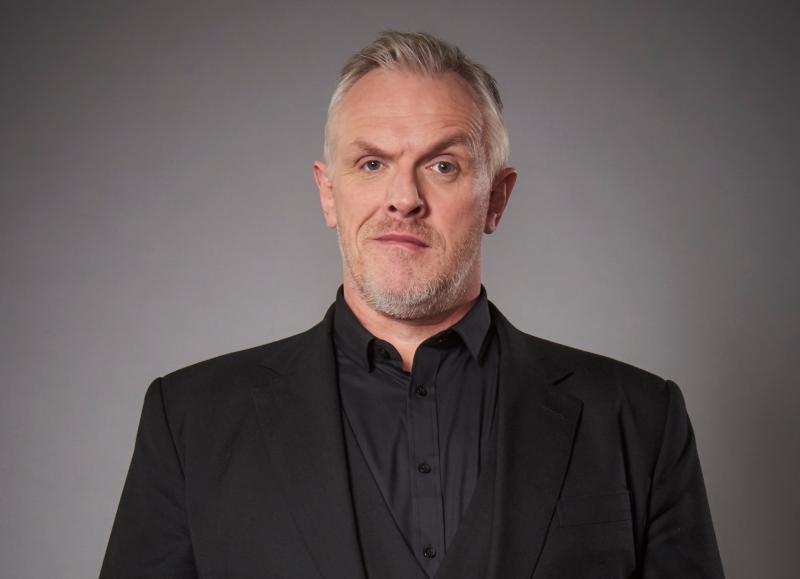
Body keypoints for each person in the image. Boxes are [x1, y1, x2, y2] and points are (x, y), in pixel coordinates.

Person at [100, 31, 725, 578]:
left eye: (443, 166)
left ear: (497, 199)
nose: (404, 198)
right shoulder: (190, 421)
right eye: (372, 163)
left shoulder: (639, 418)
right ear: (328, 193)